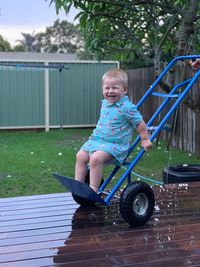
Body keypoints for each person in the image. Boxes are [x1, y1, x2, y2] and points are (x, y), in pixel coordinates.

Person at [75, 69, 152, 193]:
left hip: (115, 145)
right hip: (97, 141)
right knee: (80, 156)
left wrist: (145, 139)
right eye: (107, 88)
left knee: (95, 159)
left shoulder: (127, 107)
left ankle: (93, 190)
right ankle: (78, 186)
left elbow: (139, 123)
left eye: (115, 88)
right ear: (102, 89)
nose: (110, 91)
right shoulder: (105, 103)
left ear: (125, 90)